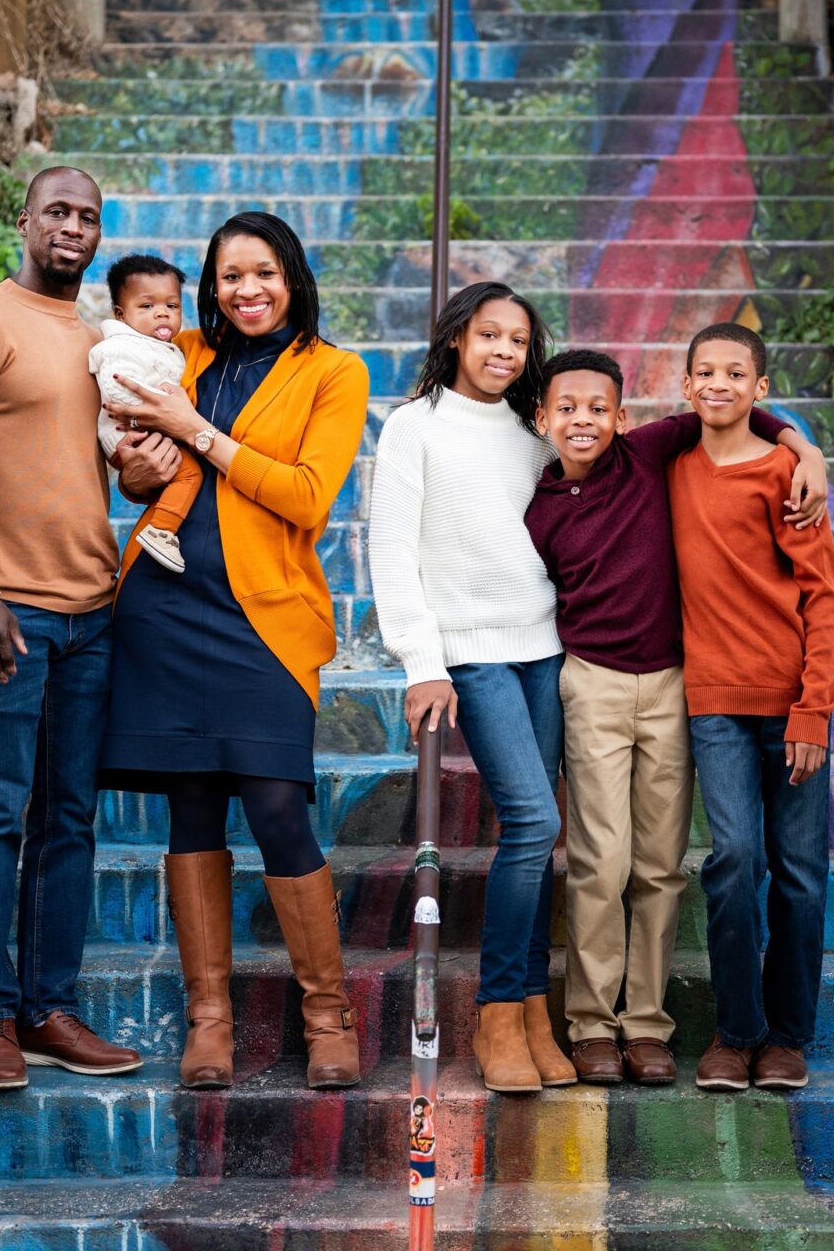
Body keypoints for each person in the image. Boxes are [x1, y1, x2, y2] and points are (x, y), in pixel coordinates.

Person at [99, 211, 369, 1092]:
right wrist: (136, 464)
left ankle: (326, 1015)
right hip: (164, 605)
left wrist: (199, 433)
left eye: (262, 273)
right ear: (208, 288)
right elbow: (130, 454)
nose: (245, 291)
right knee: (190, 812)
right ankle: (208, 1021)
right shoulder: (181, 351)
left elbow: (304, 495)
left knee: (279, 808)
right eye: (227, 277)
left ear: (291, 275)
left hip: (265, 619)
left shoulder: (333, 372)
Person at [525, 349, 828, 1088]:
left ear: (622, 418)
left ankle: (647, 1024)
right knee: (601, 862)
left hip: (673, 686)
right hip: (592, 685)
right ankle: (593, 1025)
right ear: (541, 420)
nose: (582, 421)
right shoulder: (535, 513)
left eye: (598, 408)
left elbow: (733, 407)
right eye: (565, 409)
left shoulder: (649, 452)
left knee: (659, 867)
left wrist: (803, 444)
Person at [0, 167, 145, 1091]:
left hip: (92, 612)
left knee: (69, 821)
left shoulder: (98, 342)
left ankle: (49, 1009)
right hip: (7, 613)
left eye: (89, 217)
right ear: (24, 220)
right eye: (58, 211)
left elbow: (106, 472)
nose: (73, 228)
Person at [367, 281, 575, 1094]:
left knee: (538, 834)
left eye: (517, 342)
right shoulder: (414, 427)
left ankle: (530, 1010)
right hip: (473, 655)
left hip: (546, 649)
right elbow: (391, 551)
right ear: (457, 338)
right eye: (488, 335)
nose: (502, 352)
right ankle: (497, 1012)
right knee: (532, 819)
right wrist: (421, 660)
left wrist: (793, 443)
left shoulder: (534, 433)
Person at [668, 323, 834, 1093]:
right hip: (713, 705)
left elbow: (823, 597)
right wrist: (806, 442)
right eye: (704, 371)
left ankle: (787, 1037)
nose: (717, 384)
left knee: (799, 872)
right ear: (685, 386)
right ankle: (735, 1033)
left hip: (790, 703)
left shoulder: (785, 476)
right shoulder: (668, 468)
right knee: (733, 860)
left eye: (734, 373)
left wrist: (812, 709)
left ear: (759, 388)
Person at [89, 253, 201, 574]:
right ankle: (161, 530)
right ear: (121, 315)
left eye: (172, 306)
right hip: (130, 432)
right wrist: (160, 407)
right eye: (147, 306)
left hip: (144, 428)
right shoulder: (122, 347)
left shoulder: (159, 347)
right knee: (190, 471)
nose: (162, 313)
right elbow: (116, 388)